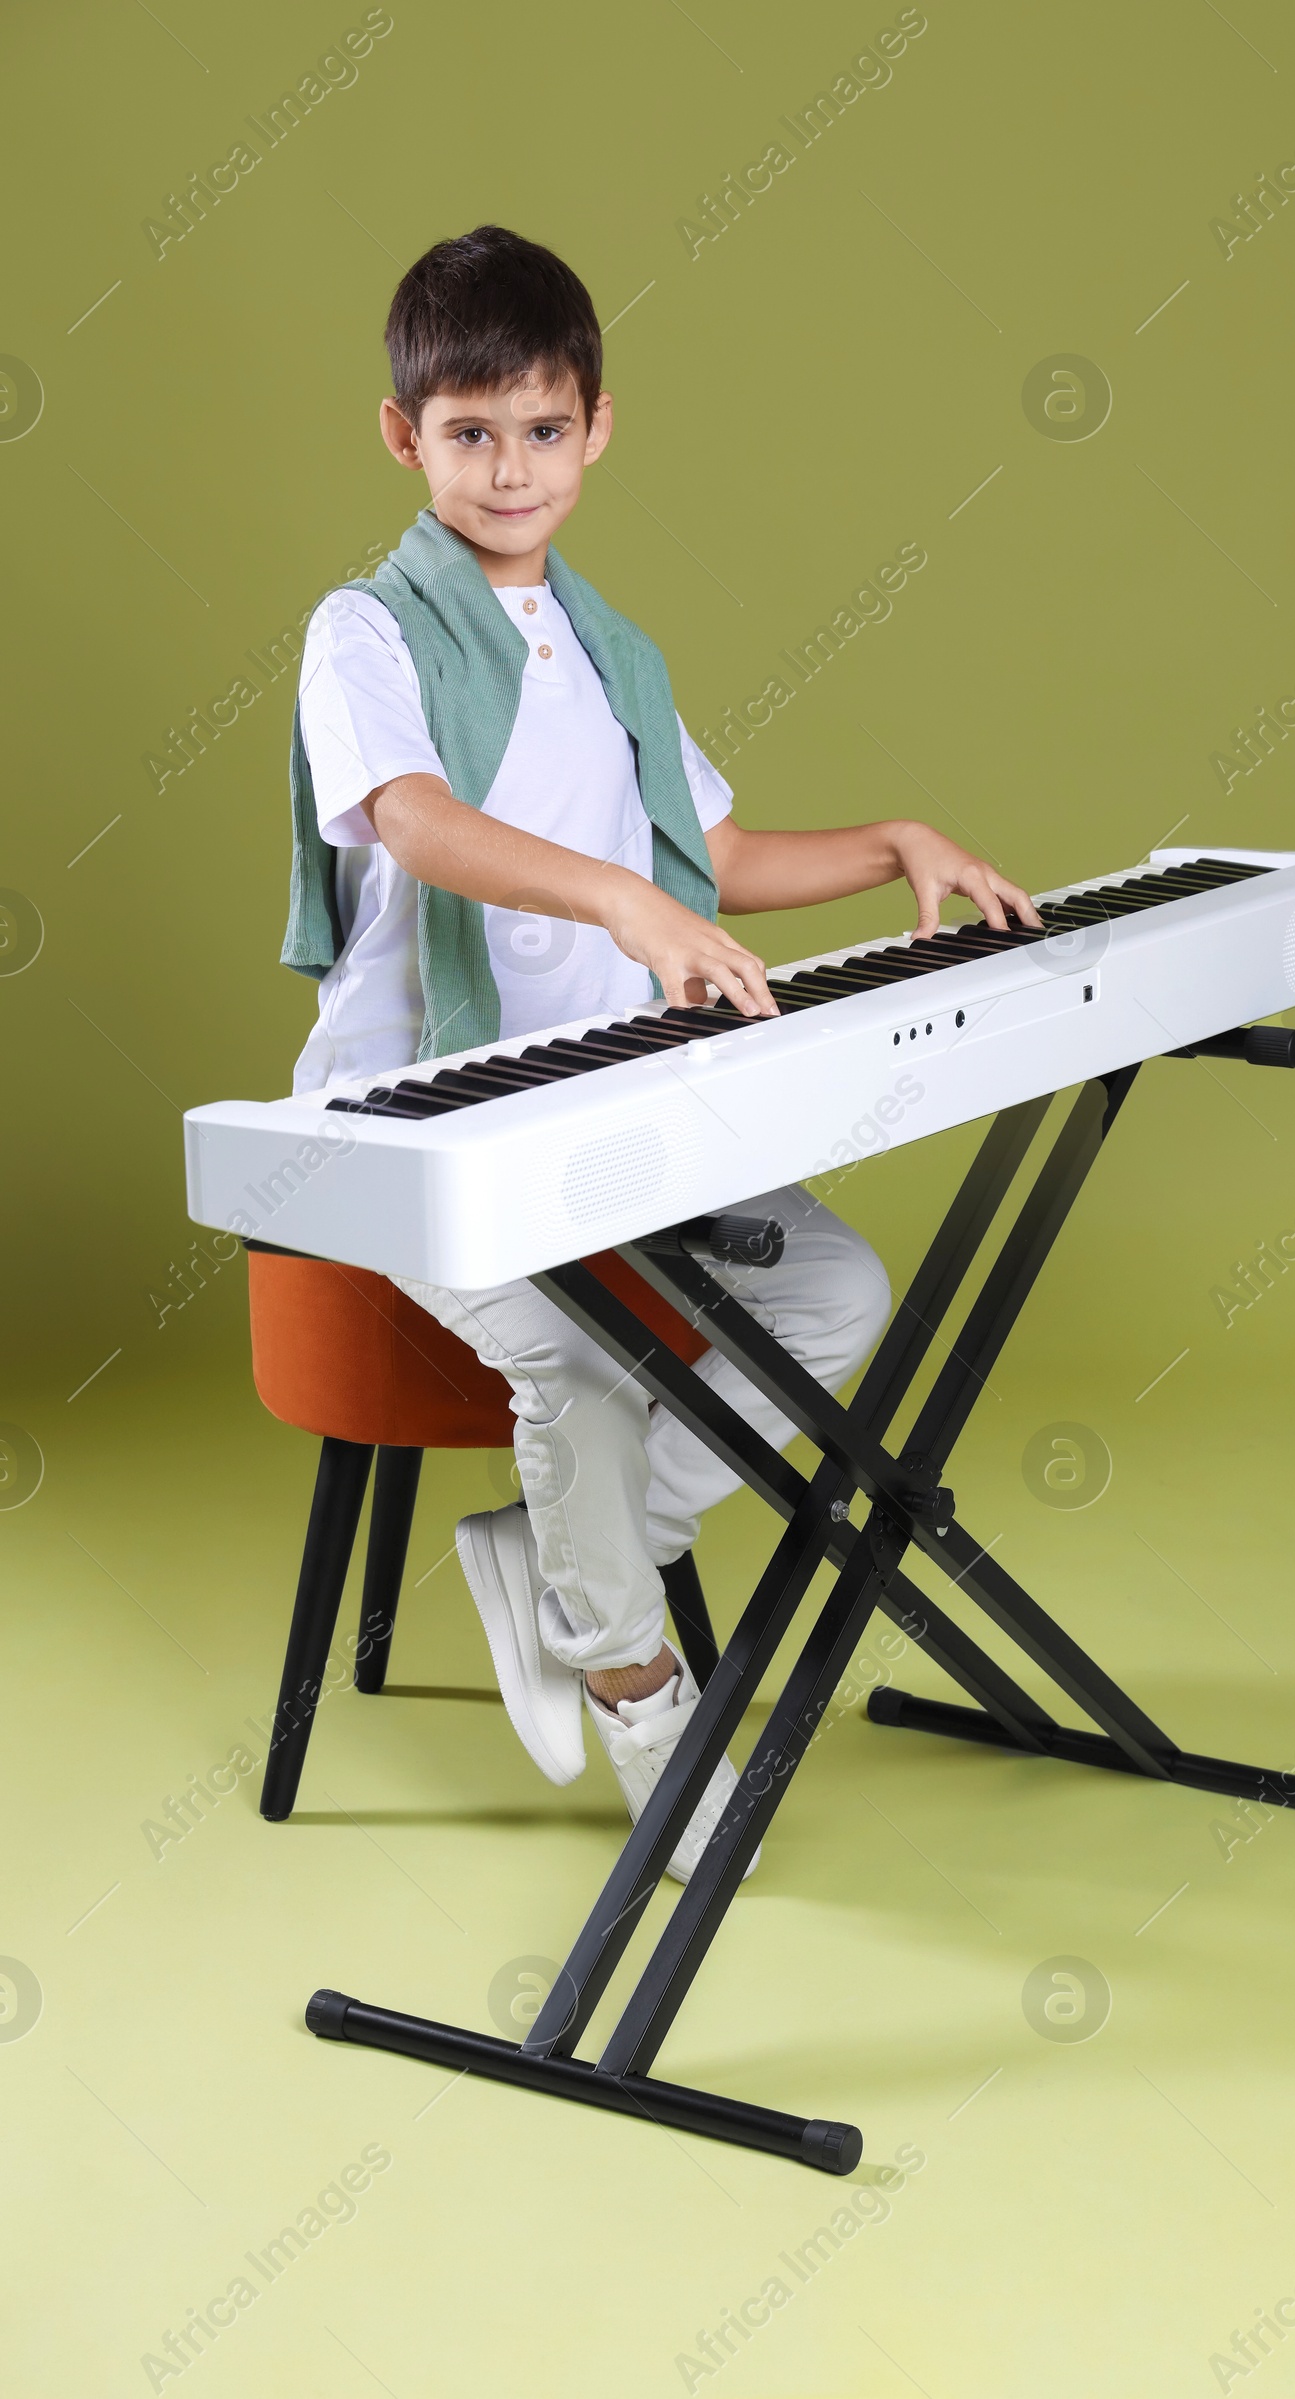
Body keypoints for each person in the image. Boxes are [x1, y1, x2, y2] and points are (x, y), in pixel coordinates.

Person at [285, 224, 1039, 1881]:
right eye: (469, 432)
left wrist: (897, 838)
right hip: (413, 1119)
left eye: (542, 430)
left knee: (836, 1292)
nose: (510, 467)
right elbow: (414, 821)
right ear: (404, 437)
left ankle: (560, 1573)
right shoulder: (367, 631)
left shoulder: (612, 649)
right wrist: (623, 905)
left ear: (597, 429)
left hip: (595, 1101)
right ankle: (638, 1685)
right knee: (568, 1353)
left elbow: (712, 856)